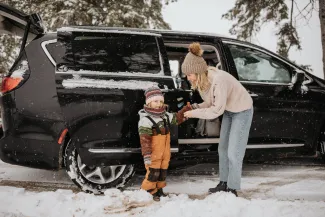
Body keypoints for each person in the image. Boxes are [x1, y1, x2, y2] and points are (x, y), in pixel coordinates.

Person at [182, 42, 253, 197]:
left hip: (242, 110)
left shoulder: (219, 80)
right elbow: (211, 102)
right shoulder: (202, 81)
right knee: (223, 149)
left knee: (234, 152)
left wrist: (193, 115)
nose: (187, 78)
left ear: (197, 71)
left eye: (189, 74)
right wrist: (194, 108)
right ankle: (223, 182)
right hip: (228, 109)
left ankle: (232, 188)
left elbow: (215, 111)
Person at [138, 86, 192, 201]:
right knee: (153, 173)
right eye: (155, 101)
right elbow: (145, 139)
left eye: (161, 101)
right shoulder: (146, 120)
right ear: (148, 103)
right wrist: (146, 154)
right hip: (153, 153)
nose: (159, 104)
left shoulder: (166, 115)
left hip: (164, 152)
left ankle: (159, 190)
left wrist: (185, 110)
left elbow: (177, 118)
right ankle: (148, 191)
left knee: (162, 172)